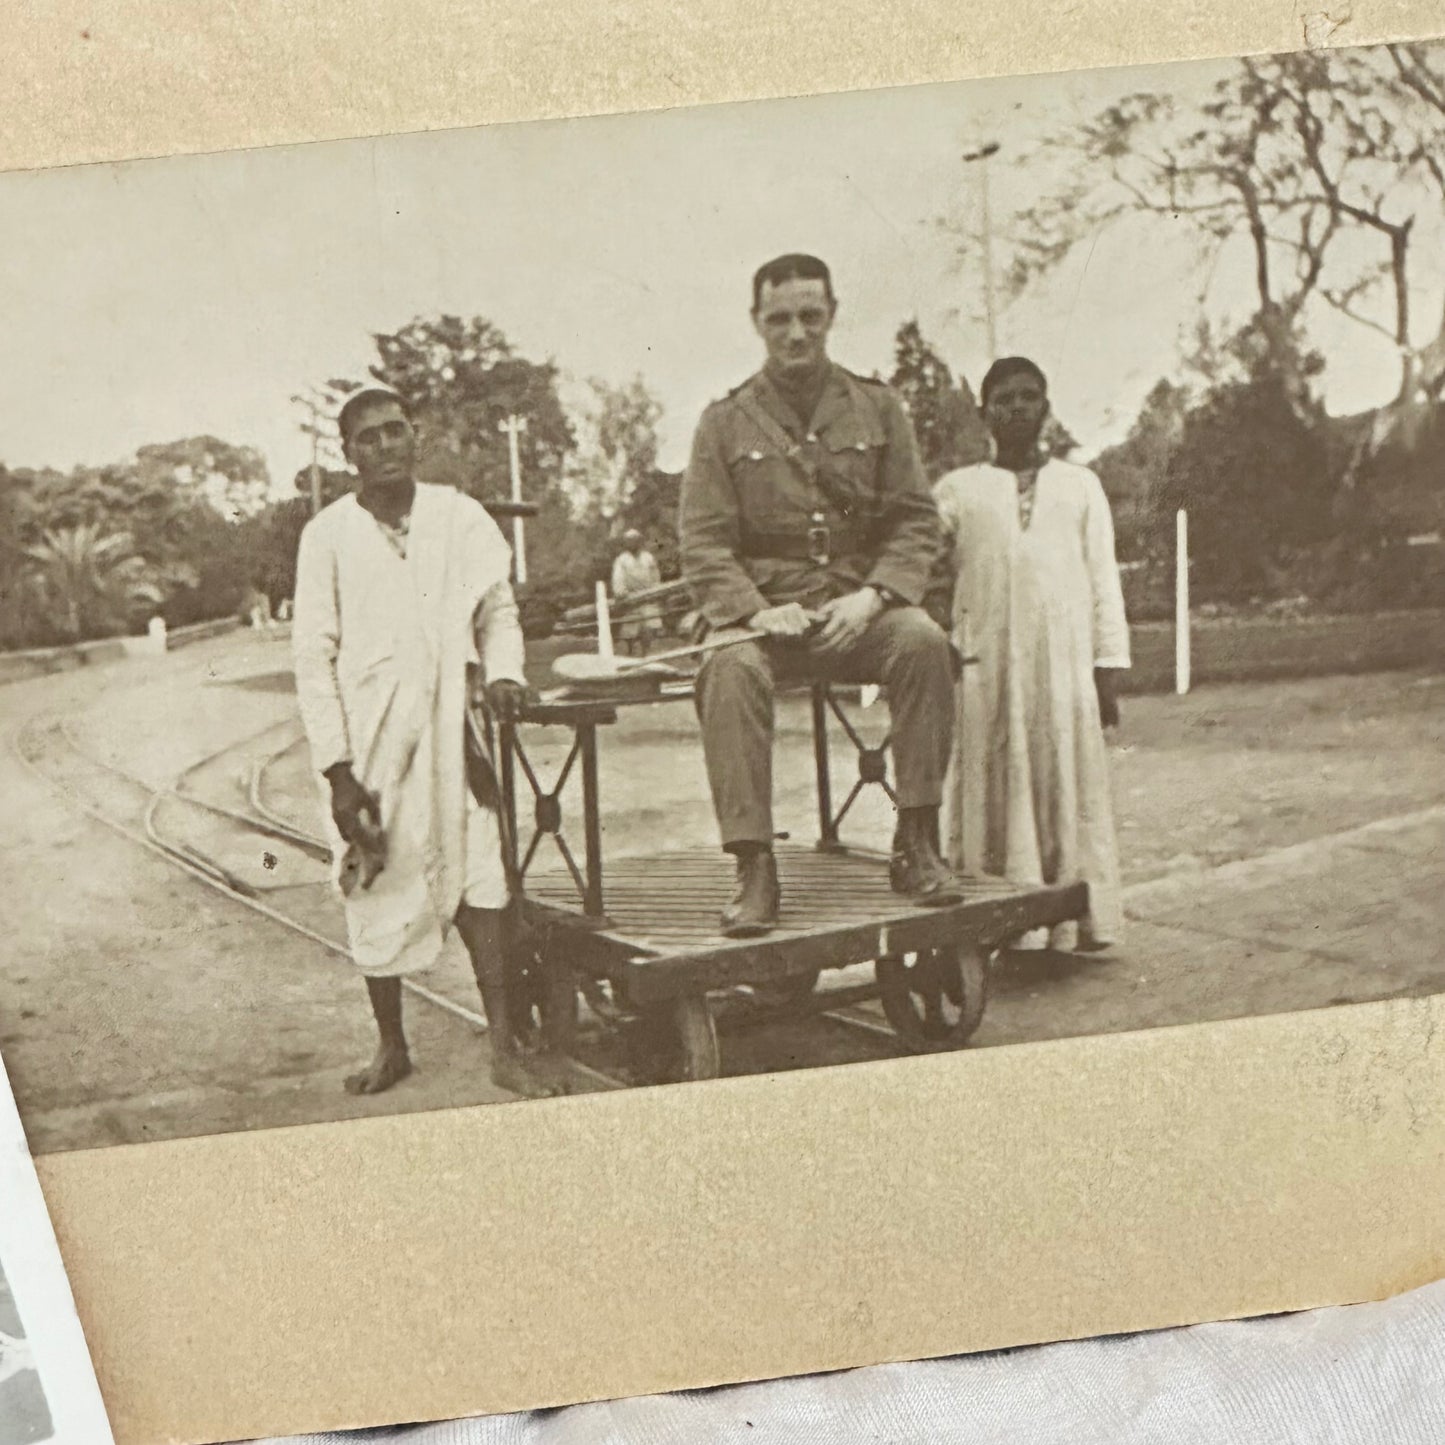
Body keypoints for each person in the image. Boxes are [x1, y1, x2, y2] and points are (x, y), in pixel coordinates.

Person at [680, 252, 961, 937]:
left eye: (810, 315)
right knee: (727, 667)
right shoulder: (723, 422)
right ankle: (753, 866)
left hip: (853, 610)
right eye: (779, 319)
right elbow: (702, 539)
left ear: (832, 314)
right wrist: (753, 608)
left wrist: (872, 597)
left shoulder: (877, 406)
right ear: (756, 322)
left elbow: (915, 519)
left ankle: (916, 840)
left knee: (923, 642)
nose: (796, 333)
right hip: (768, 616)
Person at [292, 387, 561, 1098]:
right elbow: (312, 658)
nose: (384, 446)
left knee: (482, 884)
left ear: (414, 436)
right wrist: (338, 771)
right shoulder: (326, 535)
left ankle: (504, 1046)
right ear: (347, 453)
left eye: (394, 431)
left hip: (456, 735)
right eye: (368, 437)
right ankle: (391, 1045)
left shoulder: (458, 517)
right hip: (371, 746)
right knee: (373, 889)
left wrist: (503, 674)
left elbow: (498, 611)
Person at [932, 357, 1130, 952]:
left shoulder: (1080, 485)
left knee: (1062, 778)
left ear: (1045, 407)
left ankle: (1073, 920)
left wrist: (1106, 670)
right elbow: (922, 559)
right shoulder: (957, 490)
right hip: (986, 663)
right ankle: (994, 923)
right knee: (991, 776)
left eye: (1028, 397)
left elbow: (1103, 580)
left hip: (1063, 667)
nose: (1016, 408)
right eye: (1003, 399)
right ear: (983, 411)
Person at [610, 528, 664, 655]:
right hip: (631, 599)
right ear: (626, 543)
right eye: (630, 541)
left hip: (648, 597)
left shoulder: (648, 557)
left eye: (635, 540)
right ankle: (630, 652)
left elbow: (655, 576)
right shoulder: (622, 560)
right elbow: (618, 578)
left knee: (651, 626)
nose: (633, 543)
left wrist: (655, 590)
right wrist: (621, 592)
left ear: (640, 542)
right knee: (630, 631)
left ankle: (647, 652)